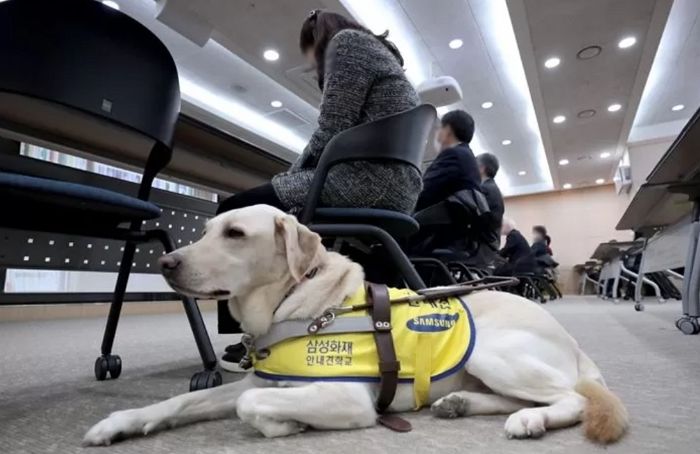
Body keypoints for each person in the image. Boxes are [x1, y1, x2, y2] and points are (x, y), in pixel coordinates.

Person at [218, 9, 423, 372]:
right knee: (297, 220)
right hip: (395, 188)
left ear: (319, 38)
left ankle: (248, 332)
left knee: (235, 210)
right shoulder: (383, 57)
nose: (313, 65)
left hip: (364, 181)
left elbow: (331, 129)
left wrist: (287, 179)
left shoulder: (347, 43)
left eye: (309, 52)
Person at [414, 110, 480, 212]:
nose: (437, 132)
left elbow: (425, 191)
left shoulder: (453, 155)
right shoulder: (467, 157)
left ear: (447, 131)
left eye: (440, 128)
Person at [477, 152, 504, 251]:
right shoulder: (493, 188)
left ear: (482, 168)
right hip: (492, 242)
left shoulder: (484, 189)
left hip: (483, 244)